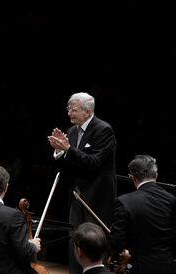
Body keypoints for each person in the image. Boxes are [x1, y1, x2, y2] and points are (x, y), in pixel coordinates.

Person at [47, 92, 117, 274]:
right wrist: (59, 152)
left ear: (87, 111)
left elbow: (93, 163)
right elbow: (69, 166)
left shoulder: (103, 130)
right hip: (77, 197)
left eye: (74, 109)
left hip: (97, 199)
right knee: (75, 243)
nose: (69, 113)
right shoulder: (71, 131)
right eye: (68, 109)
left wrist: (68, 149)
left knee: (96, 246)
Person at [109, 154, 176, 274]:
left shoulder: (124, 202)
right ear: (156, 175)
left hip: (138, 268)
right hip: (167, 266)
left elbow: (117, 241)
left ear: (133, 178)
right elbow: (173, 233)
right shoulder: (172, 199)